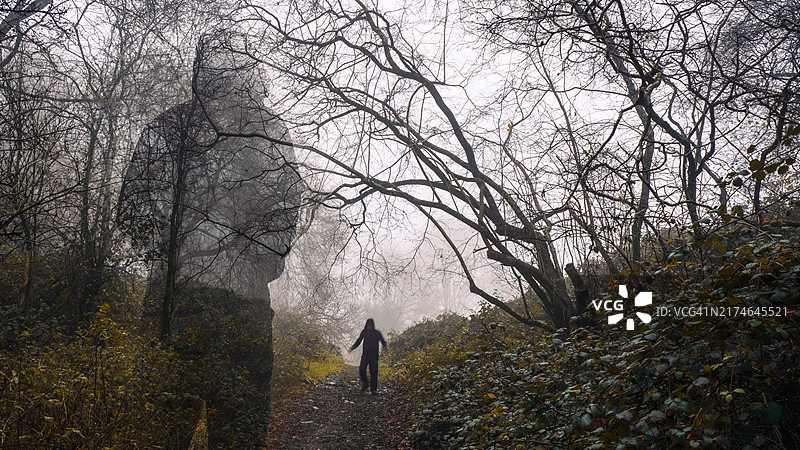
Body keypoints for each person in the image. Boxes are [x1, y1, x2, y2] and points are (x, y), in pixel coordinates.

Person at [349, 318, 387, 394]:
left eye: (370, 325)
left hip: (374, 356)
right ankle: (365, 383)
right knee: (361, 369)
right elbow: (358, 341)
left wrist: (385, 349)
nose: (369, 326)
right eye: (368, 325)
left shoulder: (377, 333)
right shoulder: (364, 332)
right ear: (366, 325)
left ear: (373, 325)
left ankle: (374, 389)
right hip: (365, 355)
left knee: (374, 373)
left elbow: (383, 341)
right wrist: (352, 348)